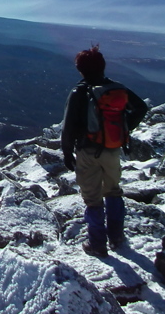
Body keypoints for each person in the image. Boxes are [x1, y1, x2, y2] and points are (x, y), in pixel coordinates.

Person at [60, 45, 149, 257]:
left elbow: (69, 126)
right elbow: (141, 108)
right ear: (103, 66)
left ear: (80, 70)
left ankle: (97, 243)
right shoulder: (116, 88)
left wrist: (66, 152)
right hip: (112, 149)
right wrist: (123, 128)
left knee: (92, 197)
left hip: (88, 151)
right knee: (113, 190)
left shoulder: (79, 92)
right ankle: (117, 237)